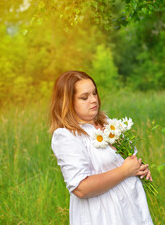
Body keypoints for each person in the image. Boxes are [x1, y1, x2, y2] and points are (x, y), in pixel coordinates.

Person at [49, 71, 154, 225]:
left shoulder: (108, 123)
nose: (93, 100)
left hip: (131, 208)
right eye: (84, 97)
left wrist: (138, 168)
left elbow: (122, 161)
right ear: (67, 102)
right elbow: (80, 188)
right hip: (103, 214)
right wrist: (125, 171)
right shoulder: (67, 136)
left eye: (94, 93)